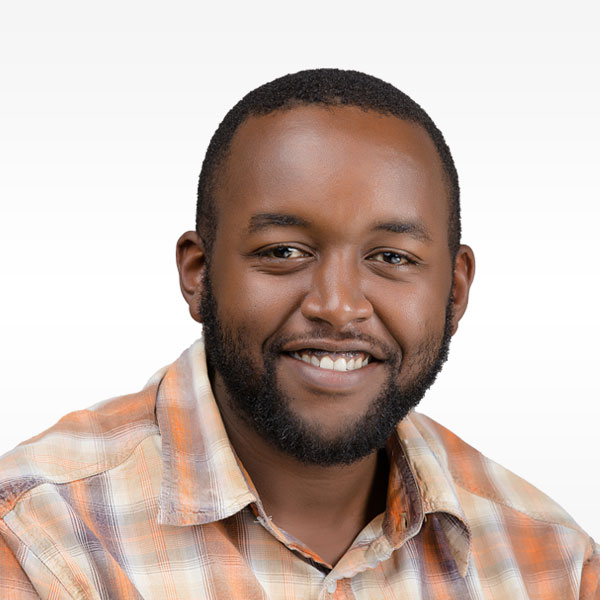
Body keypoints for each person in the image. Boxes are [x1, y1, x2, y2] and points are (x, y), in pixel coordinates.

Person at [0, 69, 597, 599]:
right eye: (284, 251)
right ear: (198, 274)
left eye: (392, 257)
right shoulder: (38, 538)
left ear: (456, 291)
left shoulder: (555, 564)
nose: (338, 307)